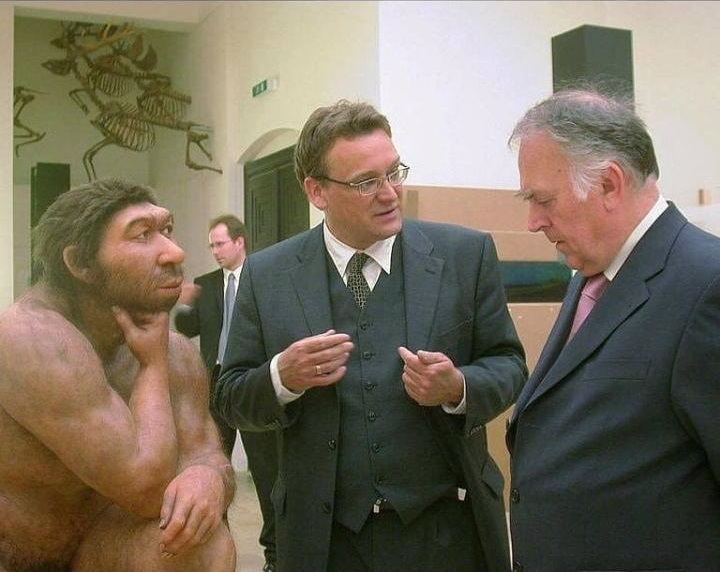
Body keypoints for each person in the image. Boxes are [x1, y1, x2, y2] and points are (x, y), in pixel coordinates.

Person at [213, 99, 527, 572]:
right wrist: (282, 376)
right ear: (317, 191)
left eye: (394, 172)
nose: (390, 193)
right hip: (326, 541)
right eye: (366, 182)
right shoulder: (267, 275)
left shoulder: (465, 255)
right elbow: (230, 397)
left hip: (444, 535)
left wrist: (458, 387)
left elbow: (509, 365)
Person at [506, 88, 720, 571]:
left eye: (543, 200)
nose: (533, 221)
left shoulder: (707, 286)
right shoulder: (591, 273)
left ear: (609, 183)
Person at [0, 178, 236, 572]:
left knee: (203, 544)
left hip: (100, 547)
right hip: (21, 560)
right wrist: (152, 367)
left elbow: (206, 450)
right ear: (80, 263)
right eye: (142, 235)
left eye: (167, 229)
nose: (175, 252)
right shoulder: (30, 336)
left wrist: (209, 477)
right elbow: (145, 488)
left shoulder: (174, 348)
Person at [174, 214, 278, 572]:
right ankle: (216, 550)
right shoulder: (206, 284)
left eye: (220, 244)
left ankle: (274, 555)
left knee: (266, 472)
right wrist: (184, 304)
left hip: (251, 386)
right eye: (211, 246)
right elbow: (188, 328)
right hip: (216, 386)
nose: (215, 251)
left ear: (239, 242)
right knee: (212, 468)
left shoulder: (264, 277)